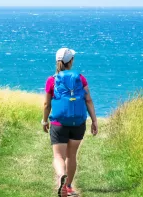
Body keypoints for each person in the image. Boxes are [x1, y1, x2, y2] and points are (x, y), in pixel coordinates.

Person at [41, 48, 98, 197]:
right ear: (70, 61)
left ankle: (61, 176)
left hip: (59, 124)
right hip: (78, 123)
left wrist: (44, 121)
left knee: (58, 156)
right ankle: (69, 187)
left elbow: (47, 104)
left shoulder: (51, 80)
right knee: (71, 155)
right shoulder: (80, 78)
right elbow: (88, 100)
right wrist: (94, 120)